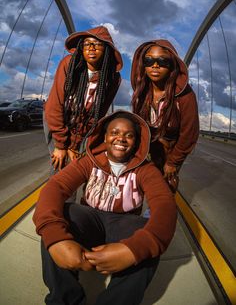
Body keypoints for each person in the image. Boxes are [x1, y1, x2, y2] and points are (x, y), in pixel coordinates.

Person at [33, 111, 177, 305]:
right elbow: (55, 188)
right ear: (104, 137)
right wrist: (54, 237)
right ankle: (64, 299)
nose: (121, 138)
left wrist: (135, 249)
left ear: (137, 142)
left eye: (129, 135)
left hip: (124, 224)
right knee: (63, 215)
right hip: (90, 217)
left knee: (147, 240)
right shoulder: (89, 161)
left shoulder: (146, 169)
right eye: (114, 132)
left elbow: (165, 205)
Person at [44, 25, 123, 171]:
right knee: (60, 168)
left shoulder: (112, 78)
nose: (91, 48)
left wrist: (74, 145)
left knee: (74, 167)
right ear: (81, 47)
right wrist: (61, 145)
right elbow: (55, 105)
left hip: (83, 125)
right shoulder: (69, 64)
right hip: (57, 119)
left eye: (97, 44)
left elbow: (96, 115)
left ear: (107, 49)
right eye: (87, 43)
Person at [131, 39, 199, 192]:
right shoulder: (141, 92)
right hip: (147, 148)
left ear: (172, 65)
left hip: (170, 151)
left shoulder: (184, 95)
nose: (155, 65)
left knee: (165, 191)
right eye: (148, 60)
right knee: (139, 187)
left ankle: (160, 215)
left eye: (162, 61)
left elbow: (189, 133)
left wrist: (173, 162)